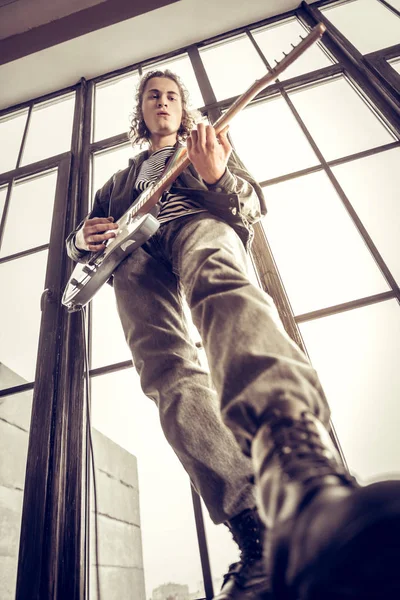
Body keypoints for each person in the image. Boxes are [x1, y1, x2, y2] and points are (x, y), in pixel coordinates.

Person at [66, 70, 400, 600]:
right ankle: (258, 531)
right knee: (165, 371)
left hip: (198, 223)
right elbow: (84, 237)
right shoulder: (118, 181)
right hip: (134, 260)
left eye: (172, 95)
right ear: (142, 109)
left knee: (221, 285)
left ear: (183, 107)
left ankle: (300, 478)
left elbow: (249, 203)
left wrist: (217, 176)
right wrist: (79, 240)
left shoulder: (211, 139)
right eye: (153, 95)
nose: (163, 102)